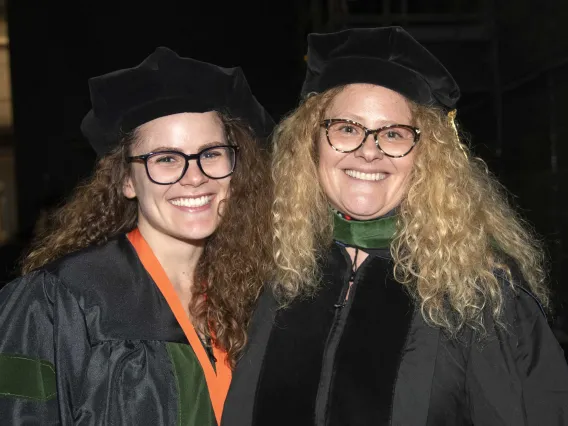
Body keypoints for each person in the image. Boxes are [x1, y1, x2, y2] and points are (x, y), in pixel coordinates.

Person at [222, 27, 568, 425]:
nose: (369, 151)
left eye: (393, 134)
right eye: (347, 128)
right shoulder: (268, 271)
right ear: (310, 143)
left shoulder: (482, 296)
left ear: (426, 156)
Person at [0, 46, 274, 425]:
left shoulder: (254, 295)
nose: (194, 177)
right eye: (165, 158)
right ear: (127, 180)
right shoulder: (62, 301)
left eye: (210, 153)